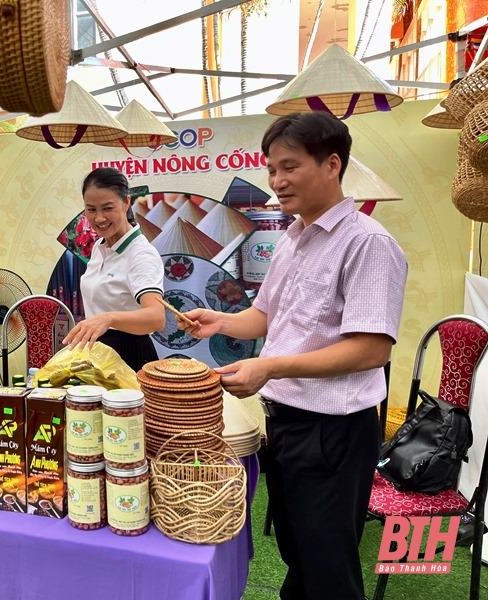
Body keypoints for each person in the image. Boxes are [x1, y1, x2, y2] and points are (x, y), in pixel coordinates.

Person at [180, 111, 407, 600]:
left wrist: (269, 366)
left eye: (289, 166)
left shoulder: (368, 243)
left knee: (328, 566)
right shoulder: (293, 238)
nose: (277, 181)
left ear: (332, 164)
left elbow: (370, 349)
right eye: (271, 169)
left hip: (334, 430)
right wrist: (220, 320)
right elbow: (265, 316)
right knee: (298, 553)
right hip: (284, 422)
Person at [63, 167, 165, 372]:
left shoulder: (140, 254)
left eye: (107, 208)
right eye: (91, 209)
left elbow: (156, 317)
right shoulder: (100, 248)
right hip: (99, 354)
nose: (99, 218)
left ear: (126, 202)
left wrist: (109, 318)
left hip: (128, 354)